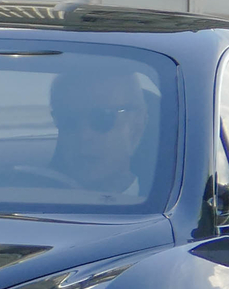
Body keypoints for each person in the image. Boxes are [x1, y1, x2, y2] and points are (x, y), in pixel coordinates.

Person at [47, 67, 153, 200]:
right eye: (69, 119)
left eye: (102, 118)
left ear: (137, 126)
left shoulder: (172, 203)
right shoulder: (30, 197)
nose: (84, 135)